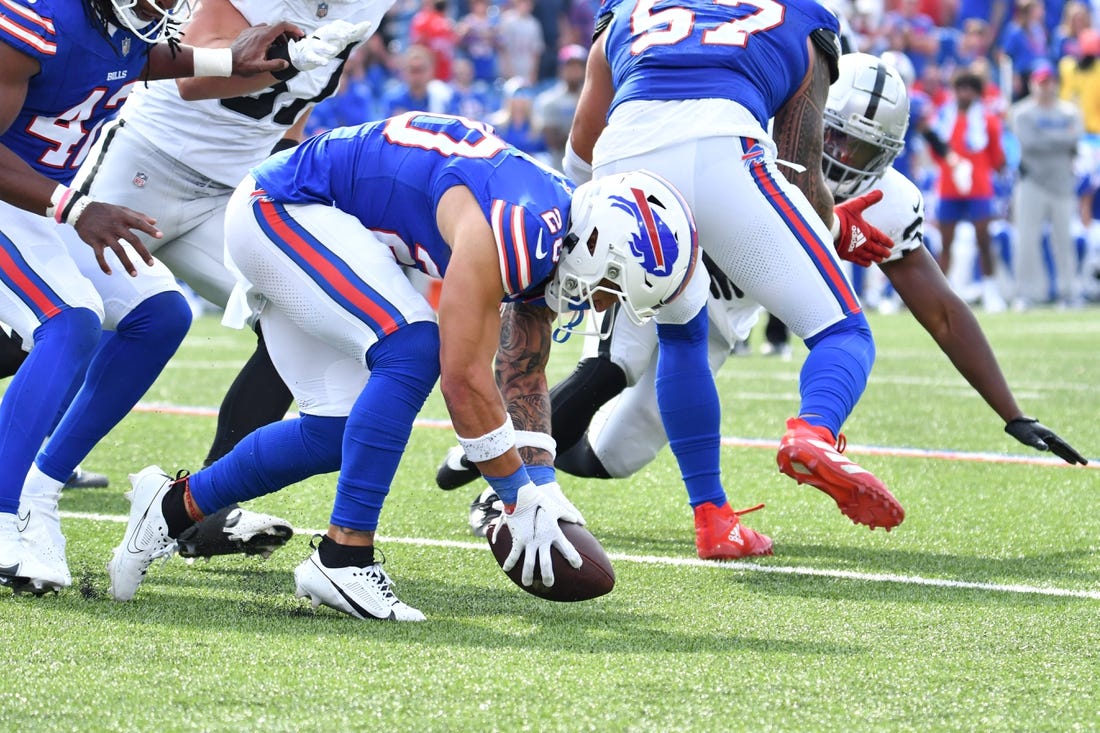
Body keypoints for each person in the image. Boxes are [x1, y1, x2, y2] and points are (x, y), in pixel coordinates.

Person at [105, 112, 698, 619]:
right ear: (598, 246)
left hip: (319, 220)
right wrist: (516, 494)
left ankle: (167, 506)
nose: (601, 302)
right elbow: (463, 379)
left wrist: (541, 484)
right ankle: (344, 559)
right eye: (613, 286)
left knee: (338, 432)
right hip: (283, 207)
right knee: (414, 346)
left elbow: (522, 371)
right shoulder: (515, 226)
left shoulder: (549, 226)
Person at [444, 0, 904, 562]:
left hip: (625, 162)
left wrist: (583, 226)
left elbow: (584, 144)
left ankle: (713, 517)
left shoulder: (630, 10)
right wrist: (831, 228)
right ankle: (811, 432)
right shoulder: (805, 16)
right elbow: (800, 164)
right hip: (726, 153)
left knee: (681, 330)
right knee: (841, 333)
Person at [541, 53, 1088, 500]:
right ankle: (511, 481)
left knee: (611, 458)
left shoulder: (889, 201)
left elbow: (943, 312)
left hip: (725, 317)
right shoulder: (750, 143)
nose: (845, 158)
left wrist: (1012, 413)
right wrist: (830, 229)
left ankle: (529, 439)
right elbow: (700, 209)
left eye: (864, 148)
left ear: (890, 155)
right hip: (662, 273)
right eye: (835, 137)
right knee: (614, 366)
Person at [55, 0, 389, 562]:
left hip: (232, 191)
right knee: (56, 320)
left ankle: (199, 510)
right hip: (143, 163)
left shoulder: (368, 5)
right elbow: (191, 79)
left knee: (298, 318)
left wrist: (282, 159)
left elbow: (302, 97)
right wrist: (292, 58)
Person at [0, 0, 300, 595]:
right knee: (71, 321)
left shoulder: (119, 22)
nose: (159, 4)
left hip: (39, 203)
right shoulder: (36, 20)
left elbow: (136, 60)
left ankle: (38, 489)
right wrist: (76, 206)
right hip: (21, 200)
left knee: (160, 314)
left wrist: (226, 58)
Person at [918, 68, 1009, 312]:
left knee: (984, 241)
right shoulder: (944, 118)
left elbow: (996, 156)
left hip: (979, 188)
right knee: (946, 244)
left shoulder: (988, 120)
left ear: (977, 93)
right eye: (961, 88)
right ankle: (940, 295)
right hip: (949, 188)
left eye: (970, 88)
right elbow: (938, 154)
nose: (965, 93)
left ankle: (991, 291)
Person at [1008, 61, 1085, 308]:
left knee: (1064, 239)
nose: (1045, 88)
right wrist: (1060, 140)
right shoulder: (1022, 112)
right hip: (1032, 181)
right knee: (1026, 240)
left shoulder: (1070, 112)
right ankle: (1028, 293)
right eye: (1041, 83)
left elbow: (1075, 138)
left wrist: (1050, 140)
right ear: (1033, 85)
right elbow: (1029, 143)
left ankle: (1069, 292)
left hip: (1063, 183)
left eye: (1049, 82)